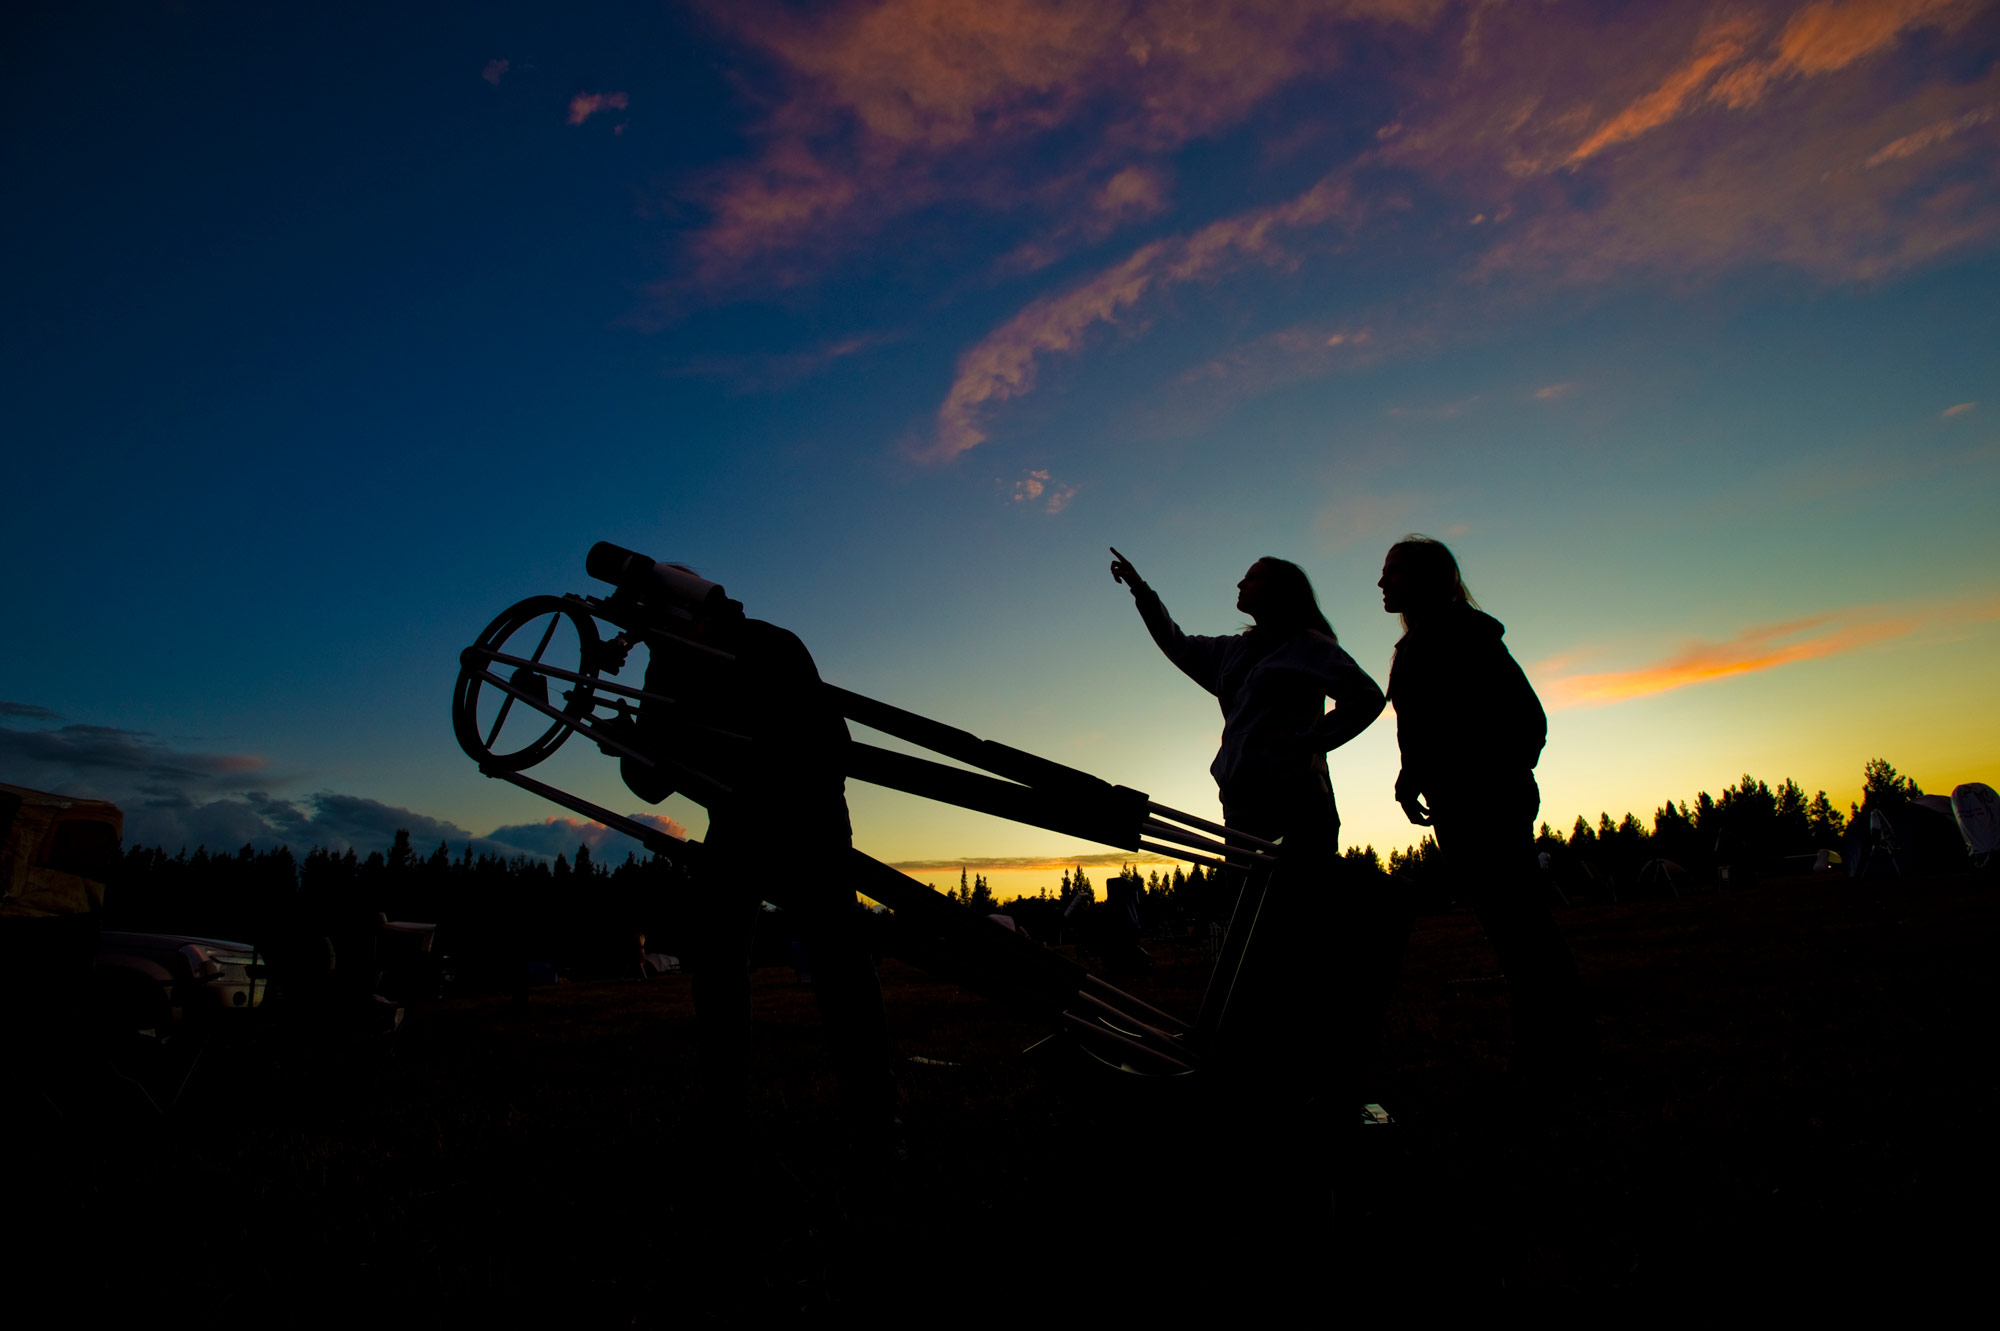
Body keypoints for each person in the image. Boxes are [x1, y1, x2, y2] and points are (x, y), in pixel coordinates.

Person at [611, 565, 899, 1162]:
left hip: (807, 820)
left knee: (840, 961)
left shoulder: (772, 645)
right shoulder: (668, 661)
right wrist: (627, 747)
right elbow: (651, 783)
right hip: (736, 826)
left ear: (701, 612)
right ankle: (725, 1115)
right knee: (717, 964)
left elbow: (831, 749)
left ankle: (874, 1116)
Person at [1109, 549, 1389, 1106]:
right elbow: (1178, 645)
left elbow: (1365, 697)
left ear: (1280, 592)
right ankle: (1255, 1055)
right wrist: (1142, 591)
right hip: (1241, 809)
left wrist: (1309, 742)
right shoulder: (1234, 652)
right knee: (1250, 933)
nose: (1239, 582)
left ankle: (1315, 1062)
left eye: (1252, 577)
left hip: (1295, 807)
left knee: (1297, 930)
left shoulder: (1309, 647)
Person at [1378, 535, 1594, 1080]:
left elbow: (1527, 721)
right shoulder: (1417, 646)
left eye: (1395, 572)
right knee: (1510, 924)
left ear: (1430, 578)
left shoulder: (1467, 636)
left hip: (1487, 804)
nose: (1381, 583)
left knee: (1520, 924)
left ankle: (1555, 1050)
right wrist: (1413, 778)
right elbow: (1423, 726)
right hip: (1457, 803)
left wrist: (1483, 779)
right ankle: (1553, 1045)